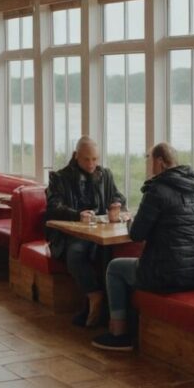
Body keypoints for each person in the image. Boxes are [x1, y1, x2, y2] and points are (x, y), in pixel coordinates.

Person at [92, 142, 194, 351]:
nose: (148, 164)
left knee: (115, 268)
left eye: (149, 159)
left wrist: (129, 220)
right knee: (134, 265)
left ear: (160, 162)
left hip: (167, 275)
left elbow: (137, 235)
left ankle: (119, 333)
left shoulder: (157, 190)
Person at [46, 136, 126, 327]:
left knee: (107, 252)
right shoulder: (59, 177)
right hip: (70, 235)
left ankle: (105, 310)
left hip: (100, 233)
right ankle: (94, 295)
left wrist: (116, 205)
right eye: (86, 159)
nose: (91, 164)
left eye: (95, 159)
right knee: (77, 253)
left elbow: (118, 197)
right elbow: (53, 207)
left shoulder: (105, 175)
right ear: (76, 156)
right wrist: (77, 215)